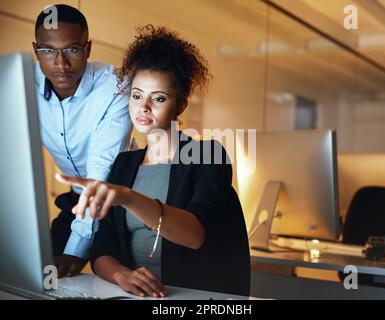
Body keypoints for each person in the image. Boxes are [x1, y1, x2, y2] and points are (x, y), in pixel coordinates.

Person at [56, 25, 251, 297]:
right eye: (136, 96)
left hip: (191, 297)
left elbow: (194, 235)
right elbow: (103, 248)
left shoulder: (207, 155)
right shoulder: (124, 164)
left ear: (181, 104)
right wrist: (121, 275)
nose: (143, 107)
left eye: (158, 98)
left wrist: (127, 197)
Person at [33, 4, 133, 277]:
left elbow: (100, 173)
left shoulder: (115, 87)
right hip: (75, 199)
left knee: (120, 281)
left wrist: (76, 250)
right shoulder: (22, 84)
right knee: (38, 272)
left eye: (72, 50)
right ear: (36, 50)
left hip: (119, 203)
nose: (60, 64)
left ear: (87, 49)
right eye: (48, 51)